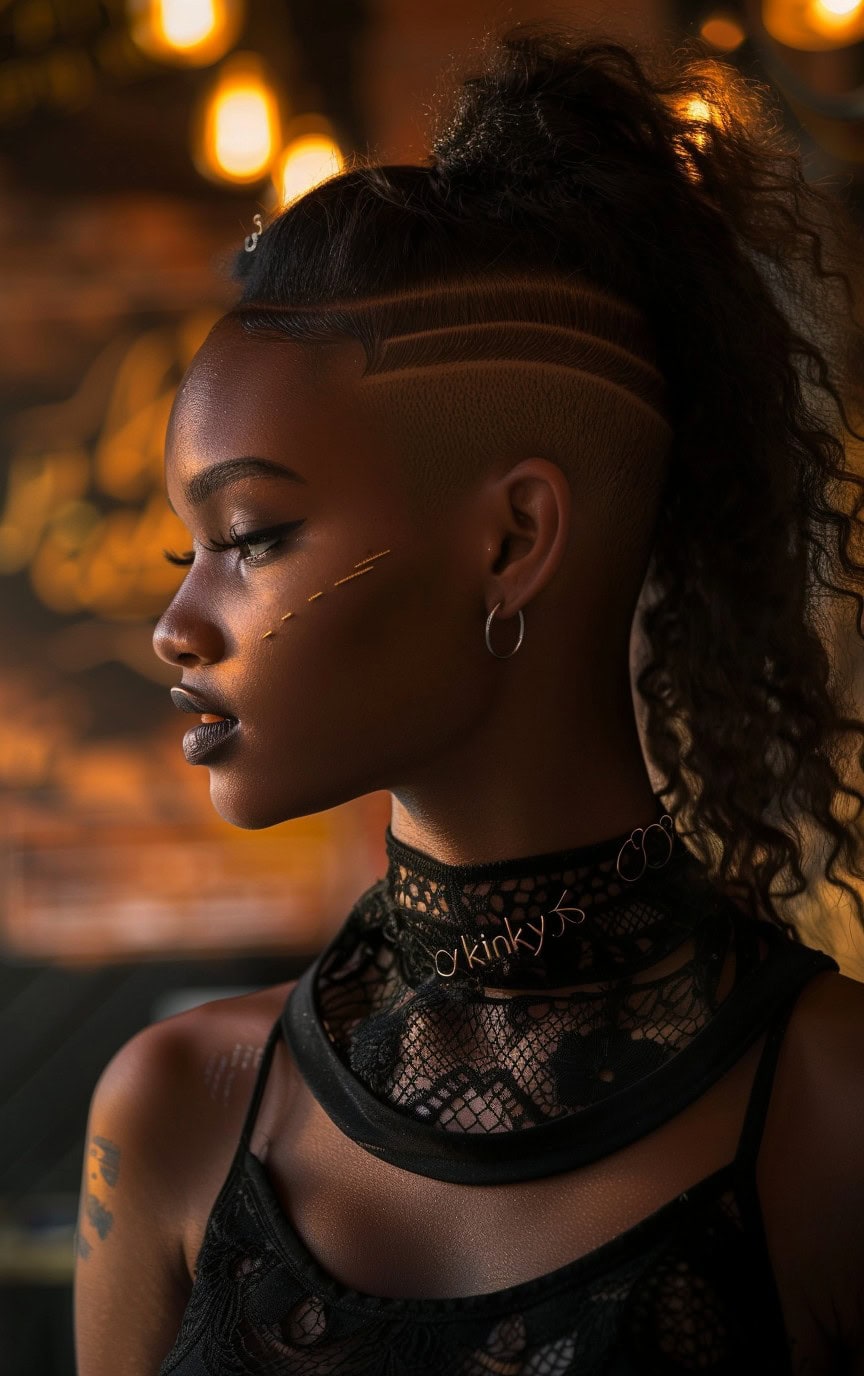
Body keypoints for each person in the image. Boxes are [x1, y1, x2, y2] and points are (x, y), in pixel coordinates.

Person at [73, 20, 864, 1375]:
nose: (177, 623)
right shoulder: (170, 1112)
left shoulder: (832, 1112)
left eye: (253, 536)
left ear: (511, 541)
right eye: (180, 551)